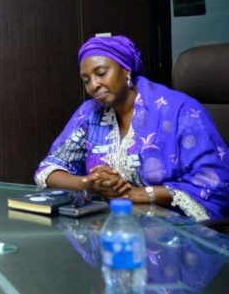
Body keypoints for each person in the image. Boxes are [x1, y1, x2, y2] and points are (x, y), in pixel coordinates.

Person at [35, 35, 229, 220]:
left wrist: (137, 194)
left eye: (101, 73)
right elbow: (49, 170)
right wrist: (88, 183)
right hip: (108, 226)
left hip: (171, 231)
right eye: (86, 80)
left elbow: (214, 183)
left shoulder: (180, 110)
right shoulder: (90, 113)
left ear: (126, 70)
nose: (93, 85)